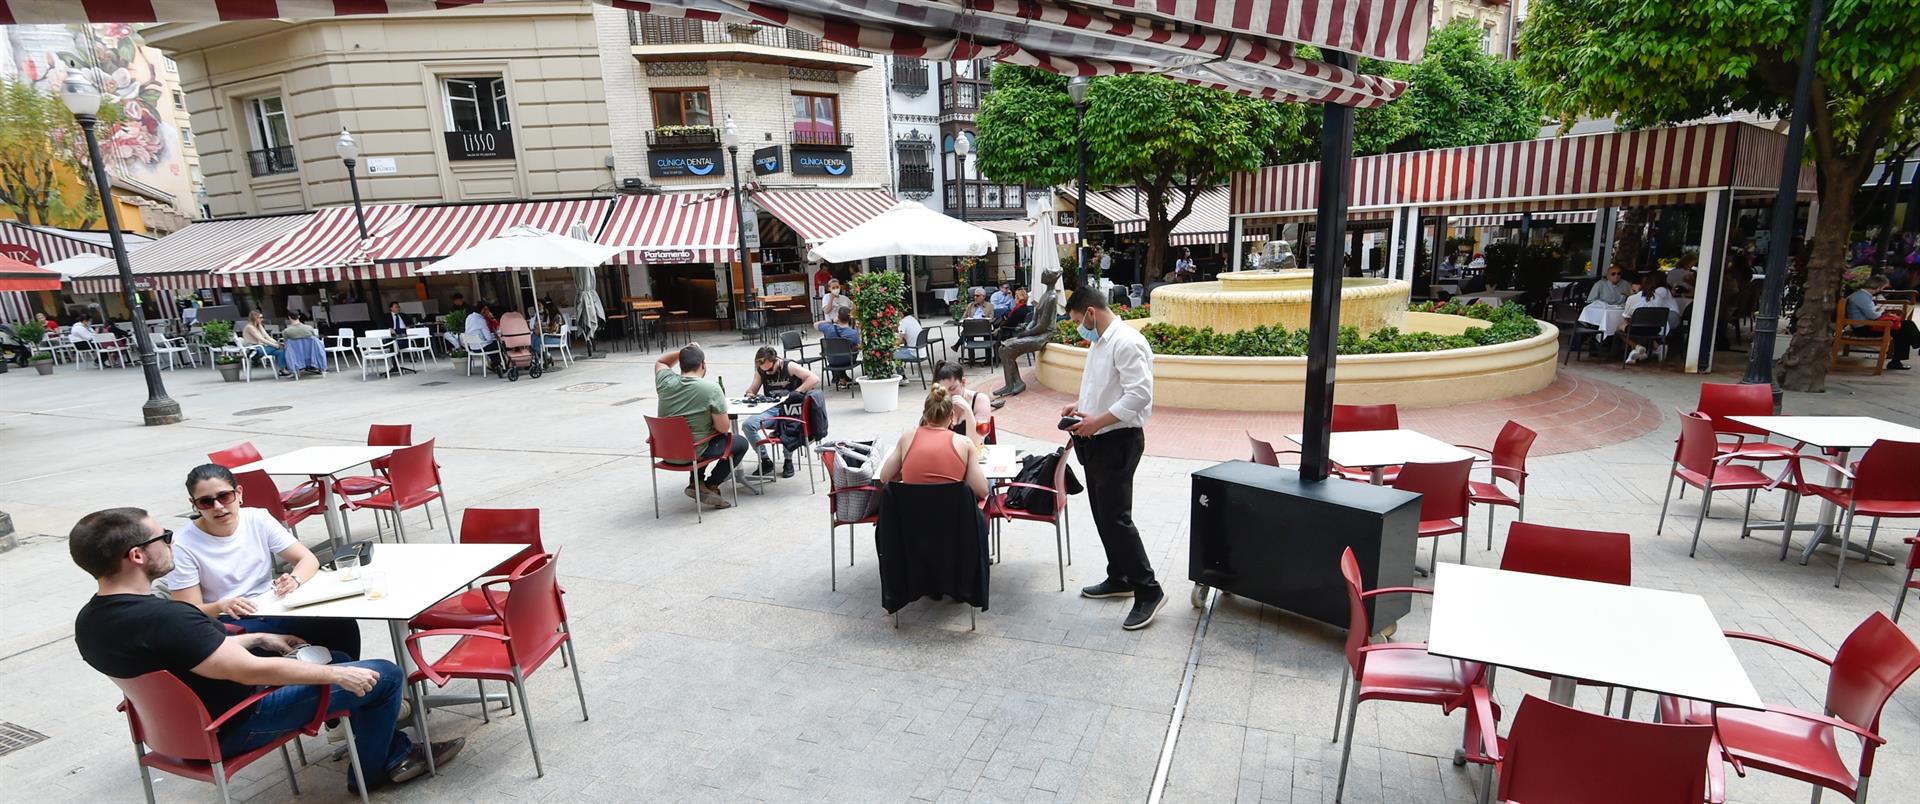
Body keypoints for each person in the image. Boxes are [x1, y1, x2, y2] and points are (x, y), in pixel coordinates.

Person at [69, 507, 461, 793]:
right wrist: (336, 676)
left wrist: (257, 640)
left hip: (173, 732)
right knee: (383, 675)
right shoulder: (167, 616)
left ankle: (383, 748)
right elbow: (249, 673)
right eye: (163, 538)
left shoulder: (90, 621)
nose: (171, 544)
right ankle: (378, 769)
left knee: (341, 659)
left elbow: (189, 656)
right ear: (137, 555)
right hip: (236, 724)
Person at [163, 464, 362, 658]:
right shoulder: (182, 545)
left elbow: (307, 559)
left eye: (225, 496)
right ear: (194, 504)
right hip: (230, 622)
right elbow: (188, 612)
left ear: (239, 493)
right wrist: (222, 605)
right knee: (279, 644)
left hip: (273, 607)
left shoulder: (257, 518)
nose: (218, 507)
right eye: (206, 502)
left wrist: (294, 580)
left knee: (340, 623)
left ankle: (349, 678)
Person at [1059, 287, 1163, 629]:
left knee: (1117, 517)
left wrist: (1096, 422)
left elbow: (1139, 396)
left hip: (1118, 440)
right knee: (1103, 515)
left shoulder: (1127, 342)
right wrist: (1080, 408)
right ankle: (1118, 575)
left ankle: (1148, 590)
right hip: (1096, 440)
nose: (1078, 328)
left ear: (1091, 312)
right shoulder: (1100, 341)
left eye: (1078, 320)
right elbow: (1102, 386)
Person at [655, 343, 746, 509]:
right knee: (738, 443)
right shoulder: (711, 389)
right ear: (703, 365)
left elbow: (662, 362)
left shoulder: (665, 382)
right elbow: (723, 428)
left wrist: (685, 350)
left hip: (666, 451)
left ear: (681, 364)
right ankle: (711, 485)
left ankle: (696, 484)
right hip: (692, 452)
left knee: (695, 436)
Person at [877, 385, 989, 500]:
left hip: (912, 515)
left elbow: (885, 477)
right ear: (951, 415)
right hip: (952, 516)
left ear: (924, 413)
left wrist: (906, 470)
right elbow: (982, 490)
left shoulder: (907, 438)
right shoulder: (964, 443)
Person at [742, 345, 823, 478]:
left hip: (790, 409)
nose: (767, 373)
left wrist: (796, 393)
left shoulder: (789, 366)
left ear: (777, 361)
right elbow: (752, 390)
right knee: (748, 425)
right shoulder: (761, 371)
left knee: (786, 425)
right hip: (771, 409)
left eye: (770, 370)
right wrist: (750, 394)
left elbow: (814, 378)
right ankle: (765, 460)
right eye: (764, 371)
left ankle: (788, 460)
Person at [1847, 275, 1918, 370]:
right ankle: (1897, 361)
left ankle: (1897, 361)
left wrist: (1878, 309)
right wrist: (1881, 310)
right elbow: (1873, 315)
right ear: (1879, 287)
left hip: (1867, 325)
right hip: (1864, 328)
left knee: (1905, 326)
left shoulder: (1863, 295)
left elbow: (1872, 311)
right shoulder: (1861, 296)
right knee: (1904, 328)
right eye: (1883, 287)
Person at [1621, 272, 1677, 365]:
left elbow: (1626, 316)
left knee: (1620, 328)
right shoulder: (1659, 298)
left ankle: (1637, 347)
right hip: (1655, 329)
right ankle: (1648, 348)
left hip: (1636, 328)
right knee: (1638, 329)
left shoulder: (1633, 298)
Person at [934, 361, 993, 445]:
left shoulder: (980, 400)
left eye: (952, 388)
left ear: (963, 382)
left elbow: (975, 442)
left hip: (977, 453)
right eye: (944, 391)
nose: (948, 395)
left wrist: (967, 410)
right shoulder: (939, 402)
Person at [241, 310, 291, 378]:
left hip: (261, 346)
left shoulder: (259, 325)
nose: (262, 319)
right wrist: (276, 345)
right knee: (277, 347)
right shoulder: (249, 327)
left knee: (280, 351)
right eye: (260, 317)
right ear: (255, 318)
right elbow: (261, 339)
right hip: (254, 347)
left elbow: (267, 336)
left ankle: (282, 370)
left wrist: (277, 343)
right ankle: (254, 353)